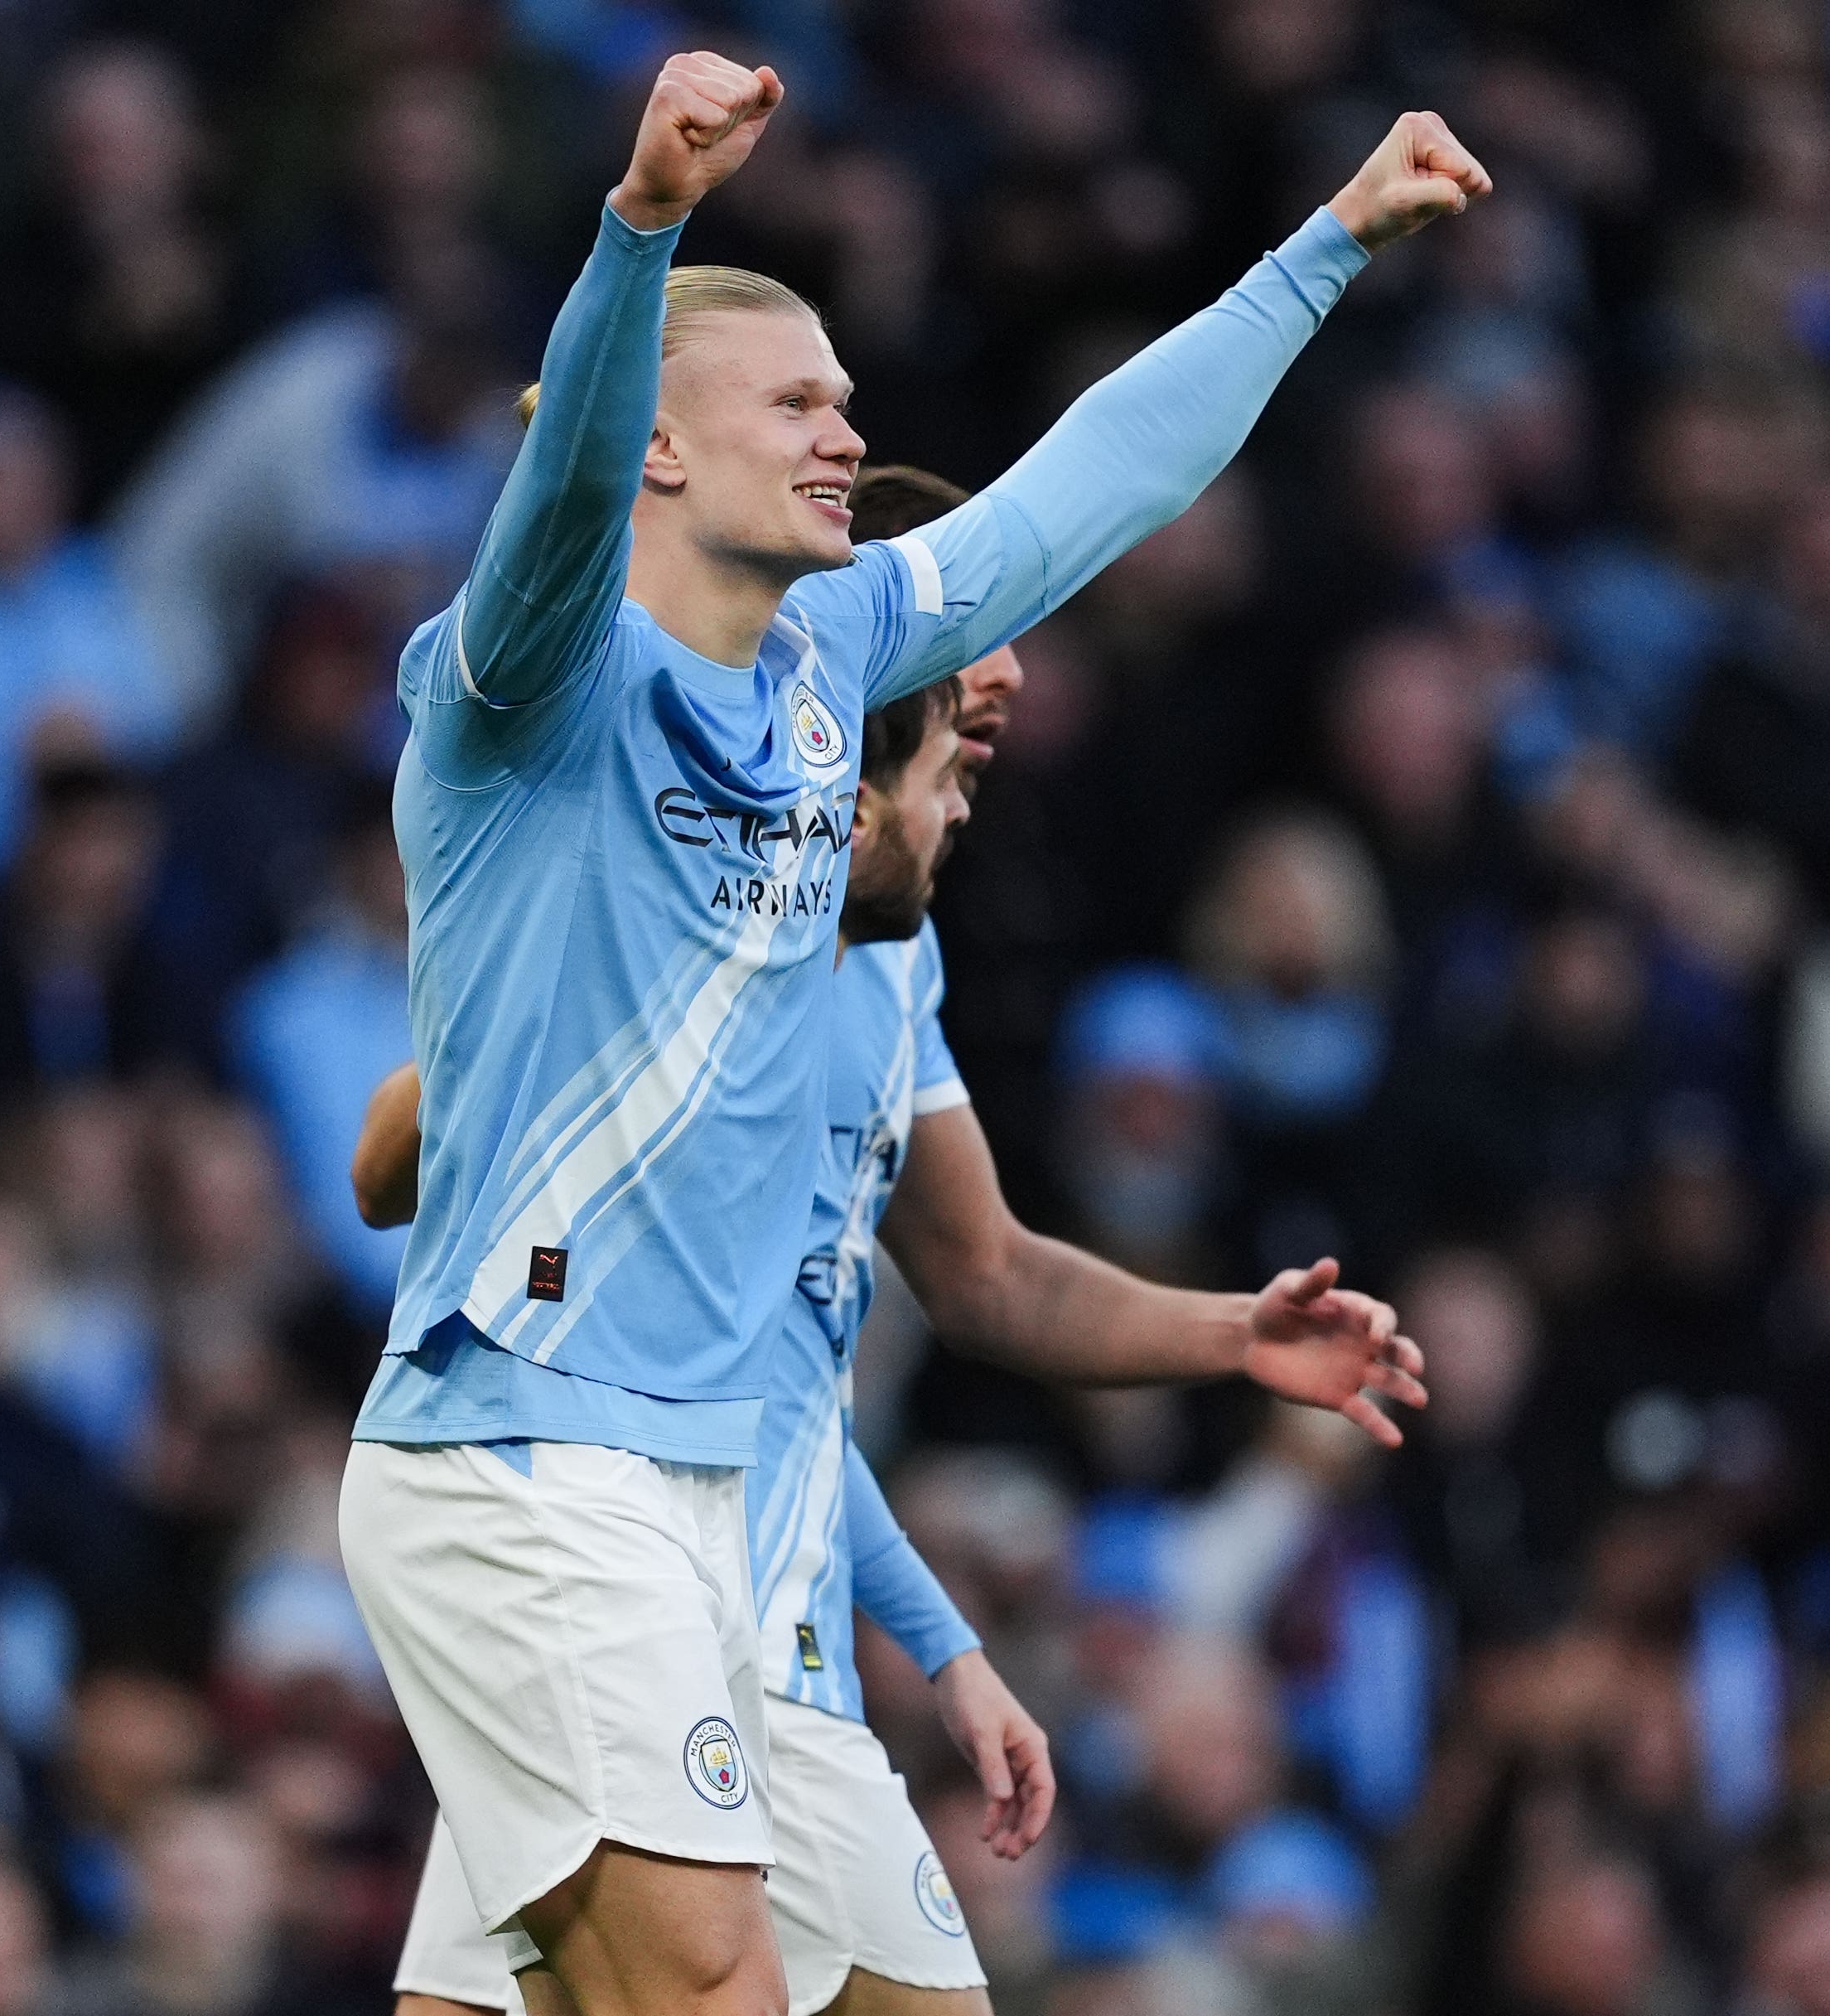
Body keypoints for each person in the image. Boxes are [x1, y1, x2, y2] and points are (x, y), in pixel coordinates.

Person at [333, 52, 1484, 2015]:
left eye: (849, 398)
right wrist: (643, 225)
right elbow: (554, 515)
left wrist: (1330, 248)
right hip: (528, 1452)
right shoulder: (530, 679)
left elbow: (1091, 483)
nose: (845, 429)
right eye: (795, 399)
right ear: (663, 454)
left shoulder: (836, 659)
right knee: (705, 1992)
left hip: (726, 1502)